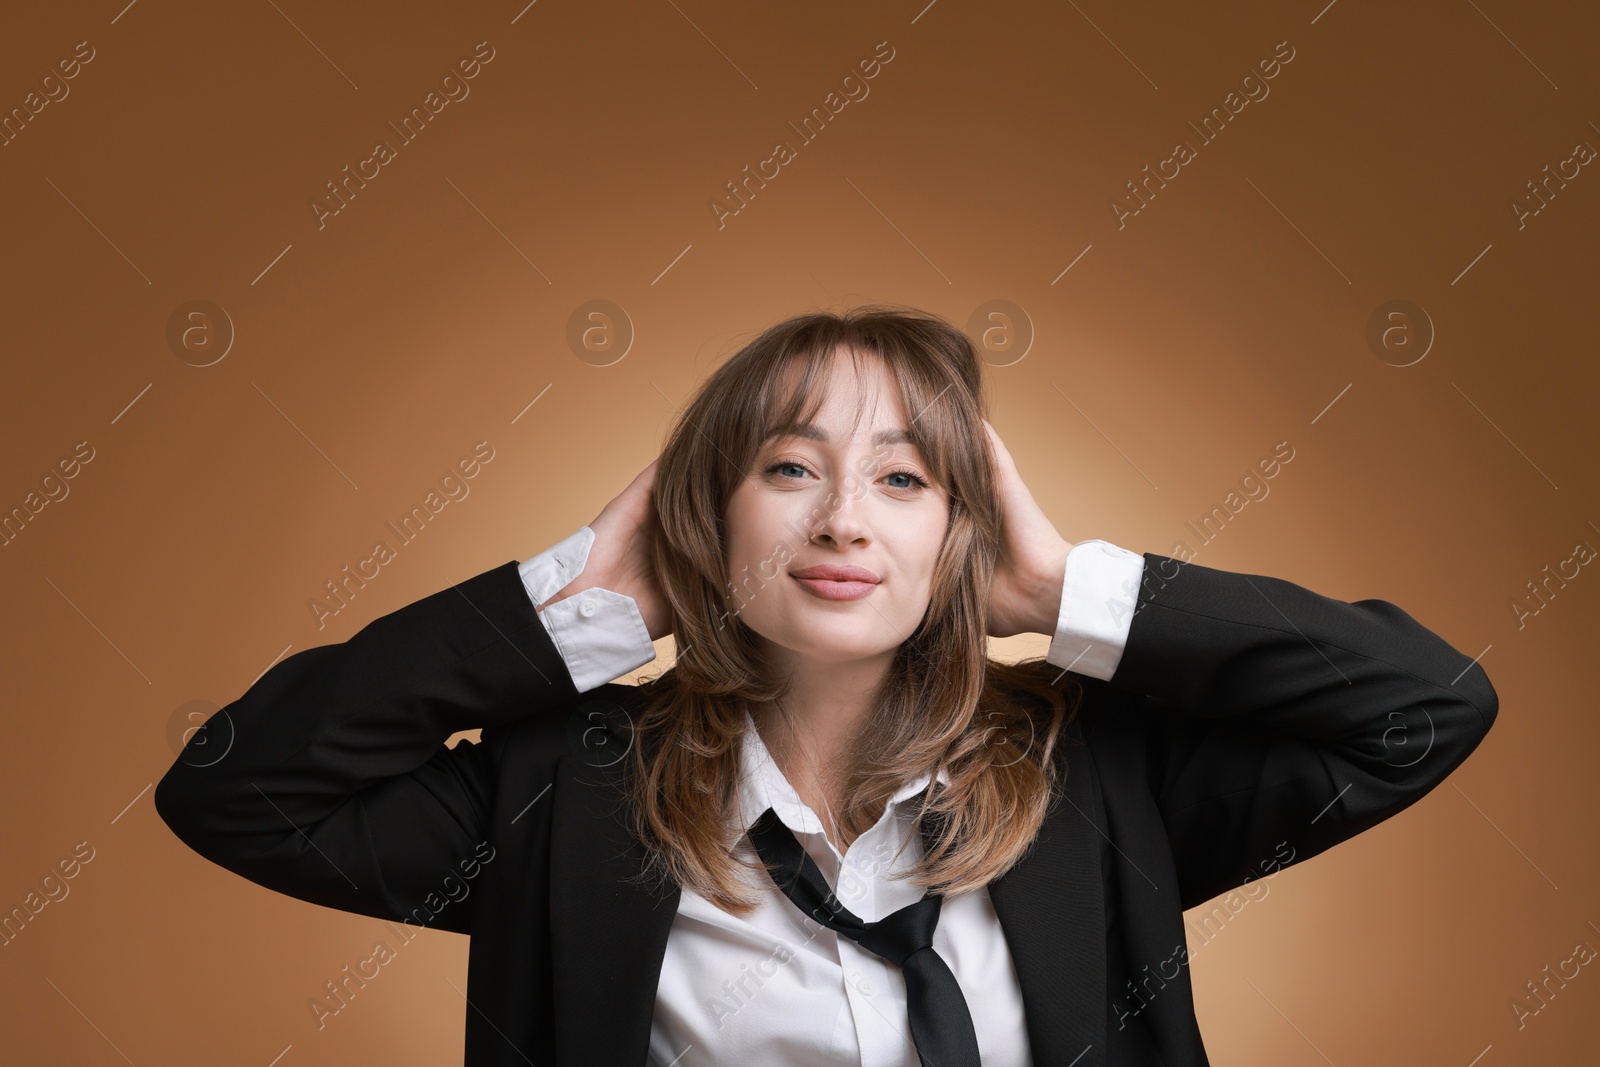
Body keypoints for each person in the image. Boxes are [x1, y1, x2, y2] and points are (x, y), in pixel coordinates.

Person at [155, 305, 1498, 1067]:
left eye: (907, 478)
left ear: (958, 531)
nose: (847, 518)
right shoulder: (570, 795)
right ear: (709, 513)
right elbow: (238, 792)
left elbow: (1423, 706)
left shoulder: (1102, 784)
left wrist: (1068, 592)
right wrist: (564, 609)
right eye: (792, 467)